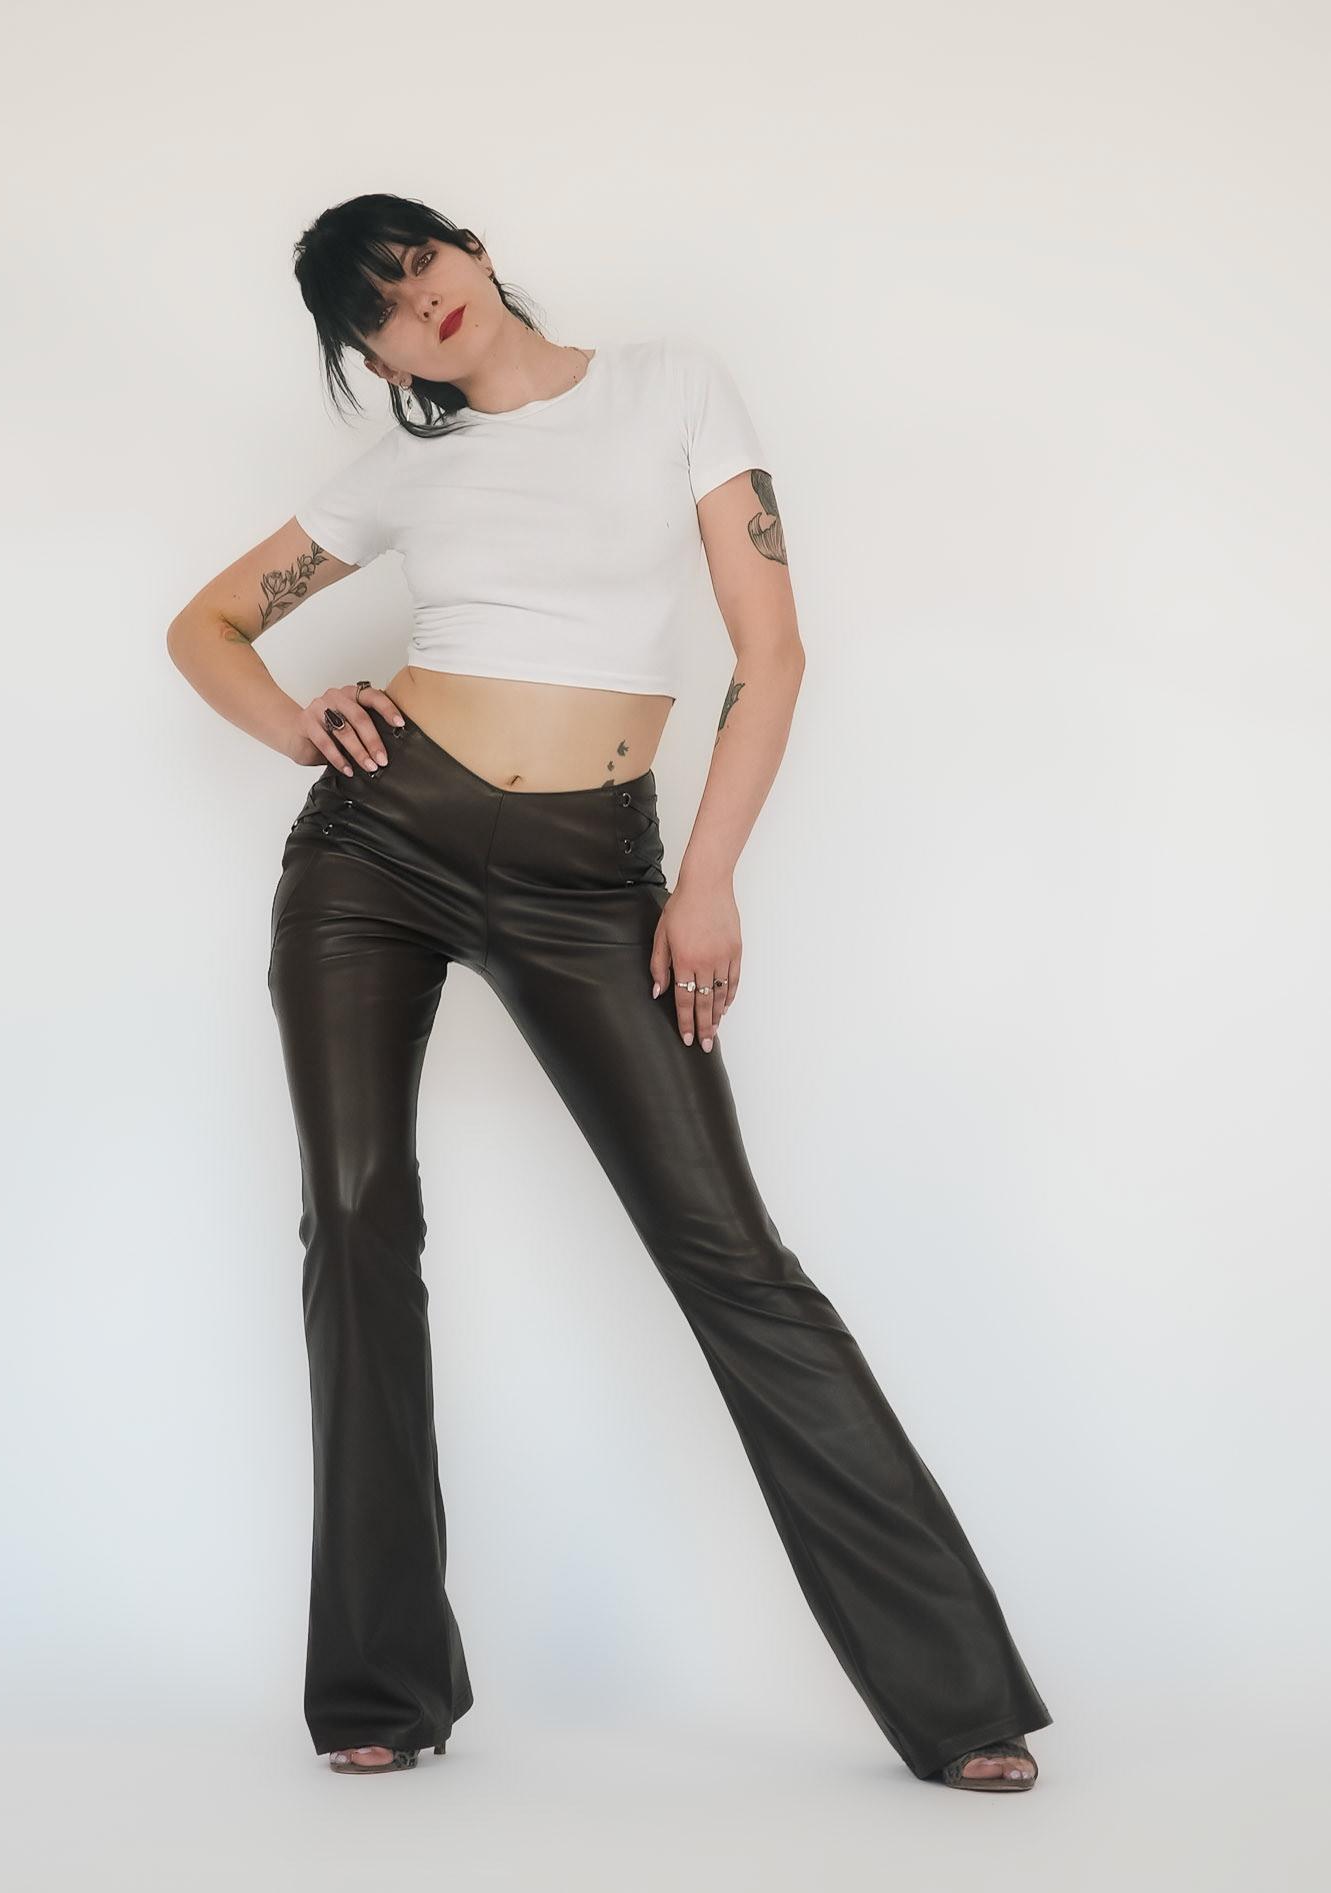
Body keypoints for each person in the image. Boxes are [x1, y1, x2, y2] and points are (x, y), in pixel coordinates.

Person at [166, 192, 1052, 1792]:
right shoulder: (400, 472)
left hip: (597, 879)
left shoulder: (671, 384)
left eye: (421, 258)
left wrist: (706, 877)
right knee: (356, 1224)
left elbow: (771, 654)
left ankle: (961, 1699)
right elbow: (205, 623)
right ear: (376, 359)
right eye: (380, 307)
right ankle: (380, 1685)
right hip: (378, 853)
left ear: (471, 248)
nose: (419, 298)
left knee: (731, 1254)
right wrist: (302, 724)